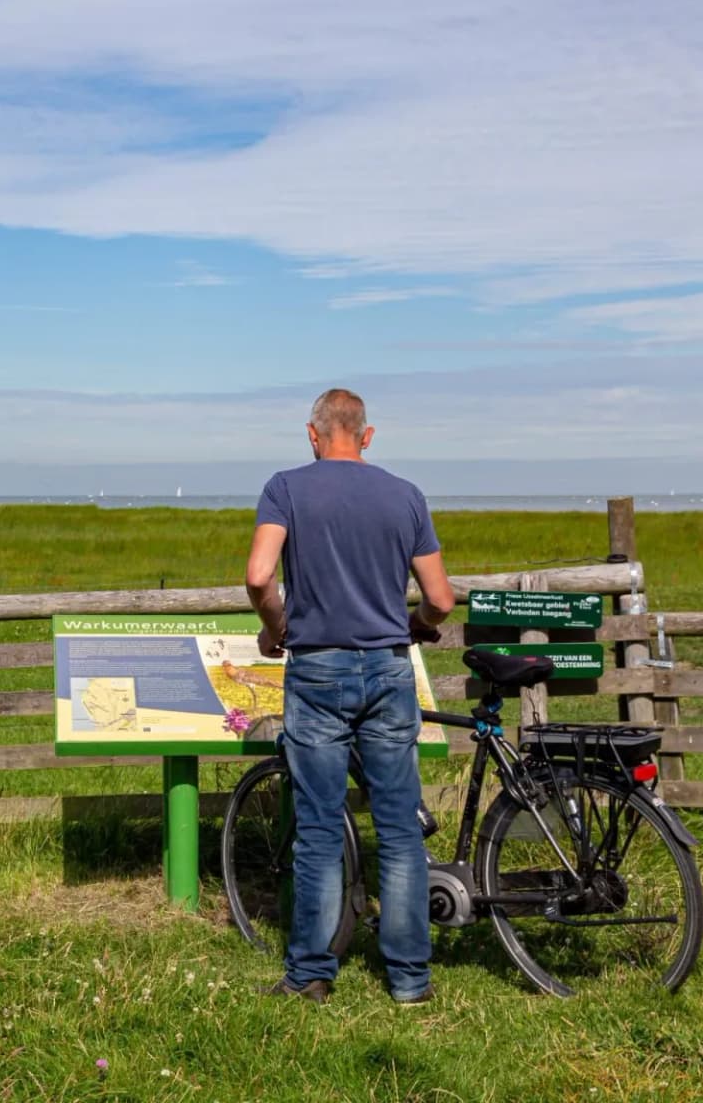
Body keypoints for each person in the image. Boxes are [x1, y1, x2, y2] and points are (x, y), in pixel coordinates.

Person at [241, 388, 455, 1005]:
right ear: (367, 435)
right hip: (389, 670)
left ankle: (311, 973)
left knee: (317, 828)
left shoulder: (286, 488)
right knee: (399, 831)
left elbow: (259, 576)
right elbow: (440, 598)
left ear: (313, 434)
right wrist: (413, 630)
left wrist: (278, 630)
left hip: (317, 669)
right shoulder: (404, 495)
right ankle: (410, 980)